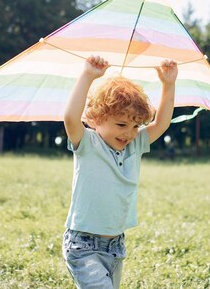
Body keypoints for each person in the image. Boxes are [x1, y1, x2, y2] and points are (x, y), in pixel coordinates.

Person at [62, 55, 178, 288]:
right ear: (96, 119)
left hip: (115, 244)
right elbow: (70, 117)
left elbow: (161, 123)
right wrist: (87, 76)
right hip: (83, 245)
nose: (129, 133)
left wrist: (168, 84)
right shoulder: (87, 143)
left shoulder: (134, 145)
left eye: (136, 125)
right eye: (122, 125)